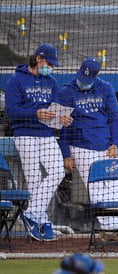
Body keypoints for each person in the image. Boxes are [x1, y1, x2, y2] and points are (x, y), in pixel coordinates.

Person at [5, 43, 73, 241]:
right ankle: (40, 221)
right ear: (38, 59)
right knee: (34, 179)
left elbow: (55, 107)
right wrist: (35, 113)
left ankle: (30, 213)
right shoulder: (16, 80)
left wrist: (62, 117)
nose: (50, 67)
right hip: (25, 134)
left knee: (58, 171)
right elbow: (11, 111)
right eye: (49, 63)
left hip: (46, 133)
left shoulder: (51, 81)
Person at [59, 57, 118, 230]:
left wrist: (115, 143)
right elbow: (63, 128)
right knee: (95, 189)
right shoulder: (67, 91)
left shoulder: (105, 88)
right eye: (81, 78)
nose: (83, 83)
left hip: (106, 145)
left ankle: (114, 227)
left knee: (114, 184)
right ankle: (112, 230)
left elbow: (114, 118)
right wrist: (66, 155)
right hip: (81, 146)